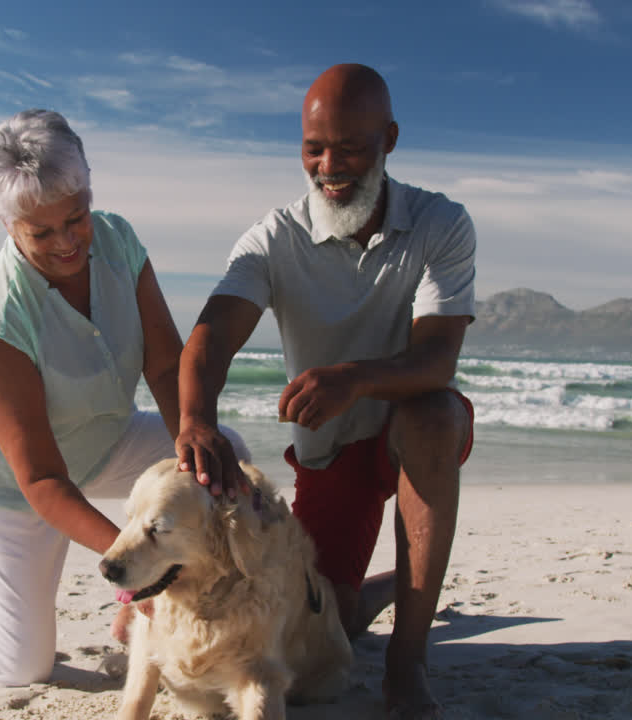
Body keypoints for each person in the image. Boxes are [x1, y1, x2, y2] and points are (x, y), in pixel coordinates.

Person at [0, 109, 246, 687]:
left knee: (217, 450)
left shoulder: (118, 239)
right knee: (20, 665)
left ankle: (131, 614)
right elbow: (43, 481)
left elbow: (163, 363)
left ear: (89, 191)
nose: (68, 242)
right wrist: (140, 568)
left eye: (75, 218)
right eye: (41, 232)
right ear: (8, 225)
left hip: (105, 444)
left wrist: (192, 439)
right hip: (10, 490)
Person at [175, 64, 475, 719]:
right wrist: (196, 420)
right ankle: (393, 584)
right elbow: (211, 338)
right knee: (327, 620)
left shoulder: (440, 223)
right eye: (314, 148)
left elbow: (437, 358)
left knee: (434, 417)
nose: (330, 166)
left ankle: (409, 661)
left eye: (351, 147)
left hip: (405, 426)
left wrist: (356, 378)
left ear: (390, 138)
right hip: (329, 451)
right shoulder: (273, 237)